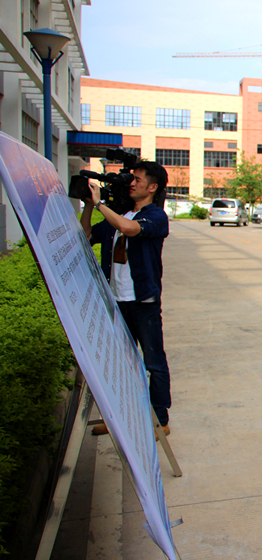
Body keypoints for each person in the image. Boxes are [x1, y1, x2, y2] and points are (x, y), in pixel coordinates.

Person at [80, 161, 172, 437]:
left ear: (152, 187)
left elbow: (130, 229)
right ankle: (120, 418)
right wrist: (89, 206)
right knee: (119, 363)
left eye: (138, 180)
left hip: (142, 302)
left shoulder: (155, 216)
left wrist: (100, 205)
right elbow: (86, 235)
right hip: (116, 302)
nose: (132, 183)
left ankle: (160, 420)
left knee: (153, 362)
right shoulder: (119, 215)